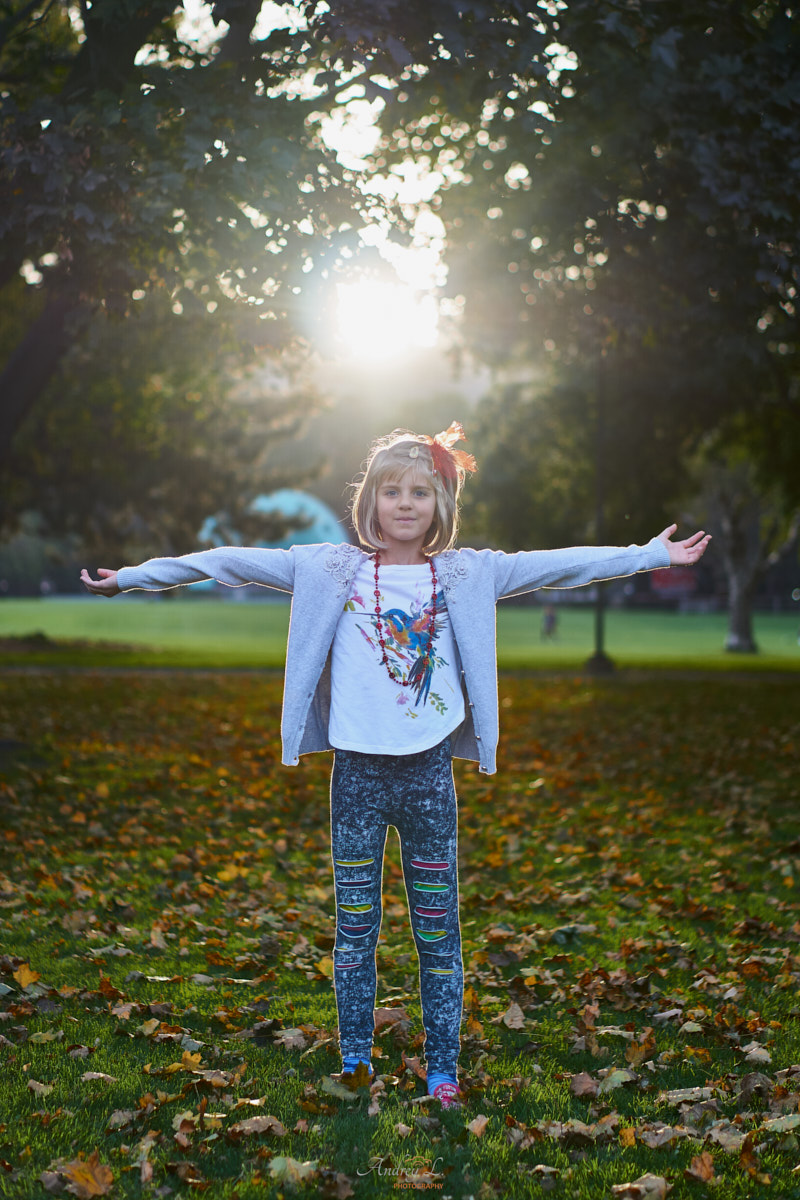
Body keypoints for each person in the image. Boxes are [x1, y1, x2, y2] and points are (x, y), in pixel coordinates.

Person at [80, 422, 711, 1109]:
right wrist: (132, 580)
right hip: (355, 779)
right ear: (371, 501)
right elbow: (224, 560)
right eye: (391, 491)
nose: (405, 504)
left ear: (440, 502)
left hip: (428, 779)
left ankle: (443, 1070)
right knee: (354, 926)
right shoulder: (328, 568)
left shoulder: (467, 573)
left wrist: (650, 554)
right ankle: (356, 1058)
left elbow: (557, 563)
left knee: (437, 931)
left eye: (420, 491)